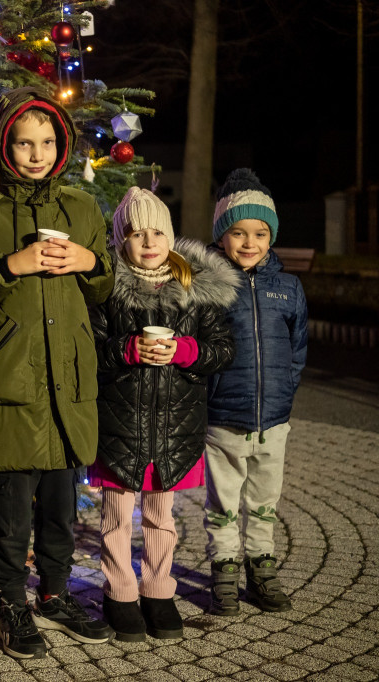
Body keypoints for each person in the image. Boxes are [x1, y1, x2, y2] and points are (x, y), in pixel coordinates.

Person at [0, 87, 115, 658]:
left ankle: (54, 593)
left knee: (60, 501)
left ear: (62, 145)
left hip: (68, 377)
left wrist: (90, 261)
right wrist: (11, 265)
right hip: (12, 374)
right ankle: (11, 603)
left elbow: (104, 287)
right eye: (24, 143)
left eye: (47, 142)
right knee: (10, 503)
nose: (36, 153)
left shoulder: (83, 209)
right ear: (5, 146)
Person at [88, 187, 239, 642]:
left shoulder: (196, 288)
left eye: (157, 231)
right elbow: (91, 350)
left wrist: (186, 350)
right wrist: (128, 349)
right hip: (121, 424)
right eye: (136, 234)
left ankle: (158, 590)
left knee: (161, 516)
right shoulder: (106, 289)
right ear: (120, 242)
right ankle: (119, 594)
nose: (148, 241)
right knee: (117, 517)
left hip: (177, 426)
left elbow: (222, 350)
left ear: (170, 236)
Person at [203, 168, 308, 615]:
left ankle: (261, 570)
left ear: (271, 236)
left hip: (274, 419)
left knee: (264, 500)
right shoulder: (209, 285)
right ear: (222, 236)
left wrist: (285, 390)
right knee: (223, 501)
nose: (250, 243)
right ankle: (224, 570)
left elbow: (298, 347)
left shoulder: (288, 287)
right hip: (224, 417)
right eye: (239, 232)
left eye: (260, 233)